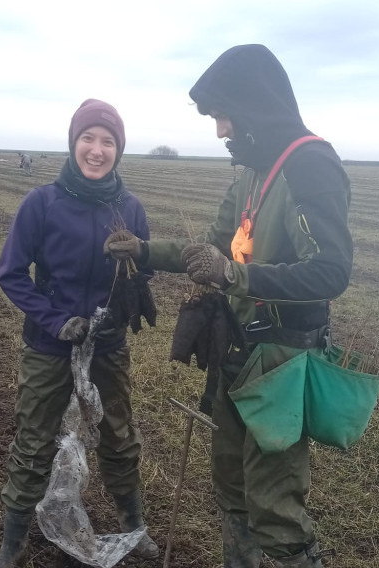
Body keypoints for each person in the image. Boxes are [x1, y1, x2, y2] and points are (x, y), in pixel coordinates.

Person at [105, 45, 353, 567]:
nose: (220, 130)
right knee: (232, 490)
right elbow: (212, 246)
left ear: (252, 105)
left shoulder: (310, 165)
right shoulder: (252, 172)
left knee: (275, 509)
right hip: (235, 352)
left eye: (223, 115)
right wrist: (145, 251)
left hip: (281, 362)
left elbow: (331, 271)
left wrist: (234, 275)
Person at [0, 99, 159, 567]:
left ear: (118, 150)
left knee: (120, 438)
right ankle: (12, 546)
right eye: (88, 138)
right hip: (49, 345)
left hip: (107, 346)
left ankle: (133, 526)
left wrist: (128, 294)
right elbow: (11, 274)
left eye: (108, 142)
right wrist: (55, 319)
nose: (97, 150)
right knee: (34, 442)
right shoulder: (42, 203)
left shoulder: (129, 208)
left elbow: (142, 273)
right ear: (73, 142)